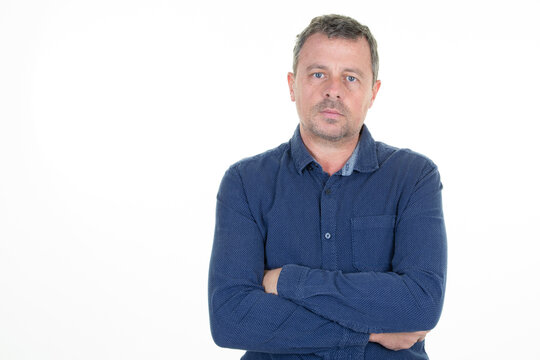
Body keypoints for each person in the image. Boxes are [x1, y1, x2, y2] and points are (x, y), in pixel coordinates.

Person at [208, 14, 447, 360]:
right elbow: (232, 318)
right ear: (292, 85)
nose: (333, 89)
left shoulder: (414, 177)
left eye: (350, 77)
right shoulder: (245, 183)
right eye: (318, 74)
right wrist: (371, 331)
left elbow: (421, 305)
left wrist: (288, 282)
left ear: (373, 92)